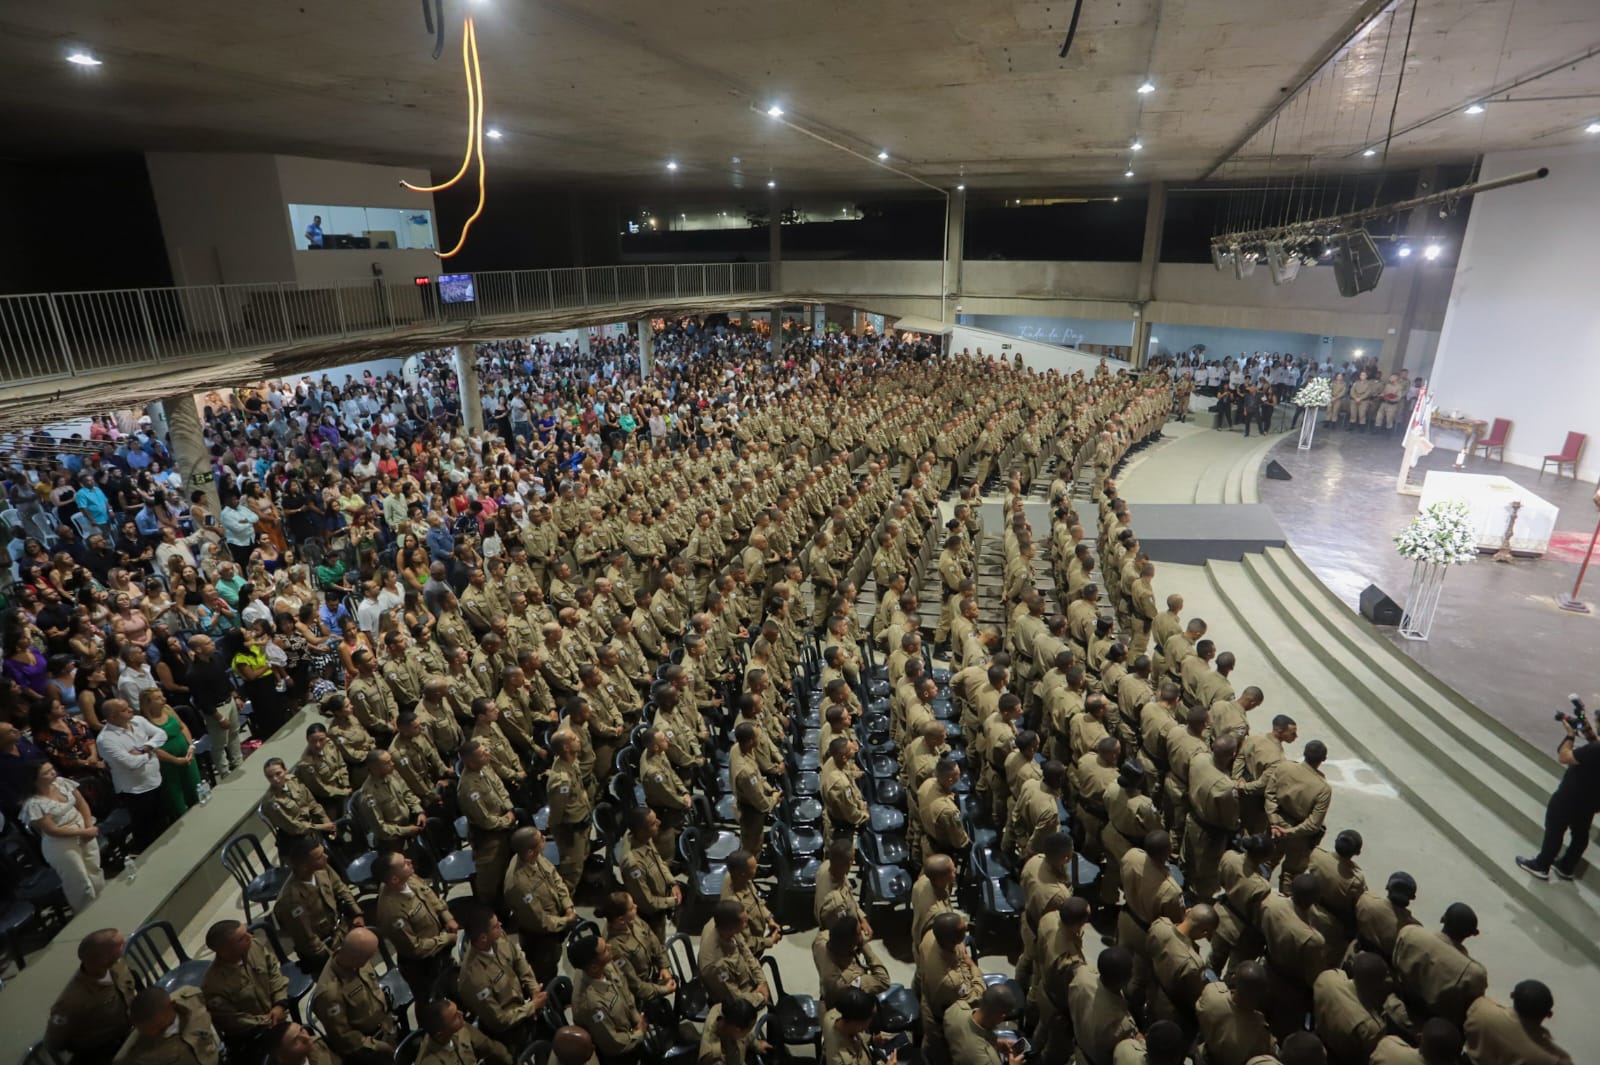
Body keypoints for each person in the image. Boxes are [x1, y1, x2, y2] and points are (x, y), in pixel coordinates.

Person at [1516, 710, 1599, 880]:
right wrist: (1586, 727)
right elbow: (1594, 744)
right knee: (1580, 833)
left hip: (1571, 795)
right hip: (1591, 800)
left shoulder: (1595, 750)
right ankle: (1566, 867)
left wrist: (1570, 736)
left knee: (1555, 827)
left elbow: (1564, 756)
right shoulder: (1596, 749)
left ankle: (1541, 865)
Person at [20, 760, 105, 912]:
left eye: (52, 769)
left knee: (94, 868)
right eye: (46, 773)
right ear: (35, 779)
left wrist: (88, 826)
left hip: (83, 828)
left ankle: (103, 903)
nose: (53, 773)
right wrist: (83, 832)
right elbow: (52, 830)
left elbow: (82, 803)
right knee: (79, 881)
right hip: (61, 844)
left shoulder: (62, 783)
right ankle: (87, 914)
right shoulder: (34, 803)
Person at [46, 927, 137, 1064]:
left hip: (131, 1031)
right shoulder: (71, 1001)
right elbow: (54, 1042)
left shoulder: (117, 964)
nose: (124, 946)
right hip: (102, 1054)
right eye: (120, 946)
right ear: (104, 958)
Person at [95, 697, 173, 850]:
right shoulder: (106, 739)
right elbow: (131, 763)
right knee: (146, 830)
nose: (131, 709)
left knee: (163, 821)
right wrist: (151, 753)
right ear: (112, 717)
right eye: (124, 709)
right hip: (135, 790)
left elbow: (161, 734)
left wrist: (145, 748)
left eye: (128, 707)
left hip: (155, 780)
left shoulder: (138, 721)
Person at [120, 986, 222, 1065]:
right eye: (146, 1031)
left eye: (157, 1027)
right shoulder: (137, 1055)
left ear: (172, 1005)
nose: (153, 1033)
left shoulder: (193, 999)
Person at [139, 688, 202, 817]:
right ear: (148, 703)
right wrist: (175, 760)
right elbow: (153, 748)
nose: (164, 699)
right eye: (158, 698)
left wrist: (190, 745)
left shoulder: (167, 708)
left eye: (162, 696)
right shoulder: (144, 722)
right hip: (167, 762)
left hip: (186, 754)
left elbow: (182, 726)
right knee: (175, 794)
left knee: (195, 787)